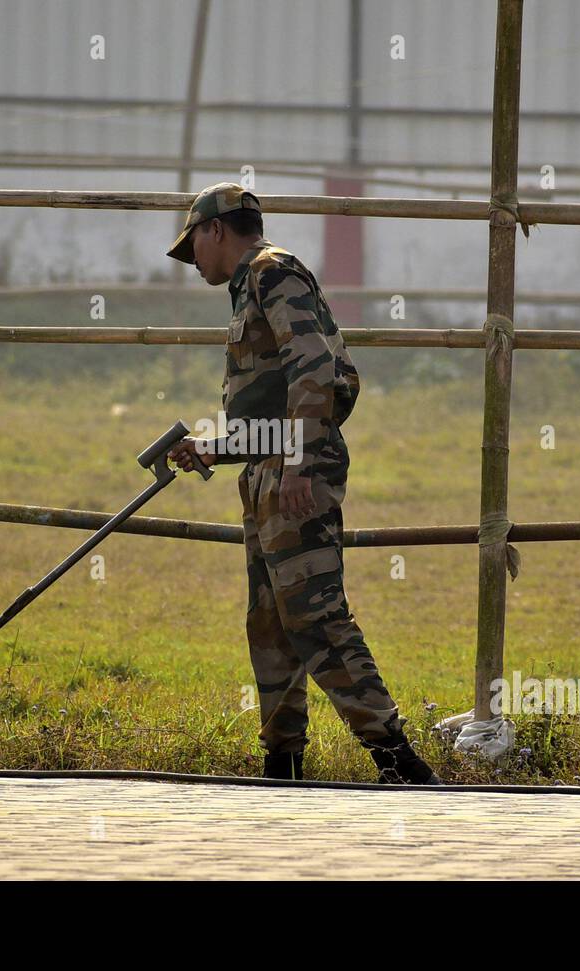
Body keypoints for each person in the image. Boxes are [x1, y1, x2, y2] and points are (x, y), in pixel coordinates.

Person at [165, 182, 442, 785]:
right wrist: (210, 448)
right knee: (270, 621)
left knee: (315, 616)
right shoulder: (250, 289)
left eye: (195, 246)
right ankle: (282, 763)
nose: (195, 263)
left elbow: (314, 367)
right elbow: (270, 410)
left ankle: (400, 763)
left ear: (216, 229)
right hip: (270, 469)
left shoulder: (272, 272)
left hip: (296, 475)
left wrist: (297, 464)